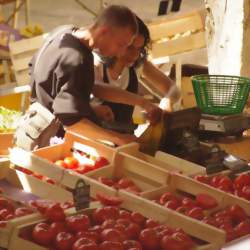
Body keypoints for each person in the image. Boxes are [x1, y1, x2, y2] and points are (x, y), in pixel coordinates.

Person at [28, 5, 161, 147]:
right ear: (104, 32)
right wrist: (118, 138)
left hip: (33, 125)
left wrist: (89, 109)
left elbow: (47, 77)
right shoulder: (78, 60)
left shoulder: (63, 32)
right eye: (121, 45)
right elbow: (71, 122)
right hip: (53, 142)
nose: (120, 53)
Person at [93, 15, 180, 124]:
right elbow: (99, 89)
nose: (135, 54)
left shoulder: (137, 64)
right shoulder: (95, 62)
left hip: (127, 137)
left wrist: (167, 101)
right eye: (130, 47)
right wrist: (144, 103)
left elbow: (173, 89)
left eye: (139, 48)